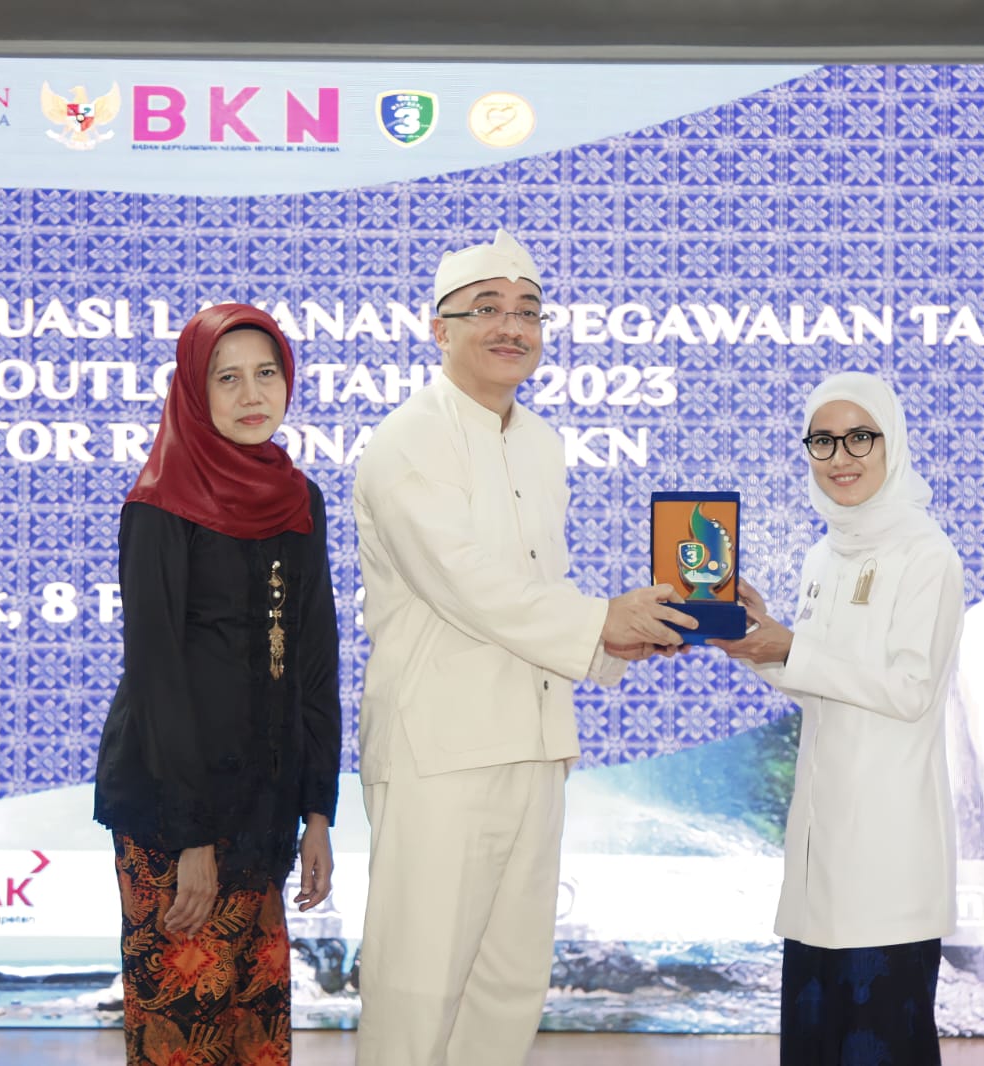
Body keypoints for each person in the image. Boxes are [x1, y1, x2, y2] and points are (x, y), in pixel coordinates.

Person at [352, 228, 693, 1066]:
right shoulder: (405, 441)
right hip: (441, 751)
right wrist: (600, 623)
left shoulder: (541, 444)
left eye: (529, 311)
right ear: (439, 328)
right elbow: (466, 584)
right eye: (488, 309)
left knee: (509, 988)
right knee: (417, 988)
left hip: (536, 739)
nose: (512, 326)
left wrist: (625, 638)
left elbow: (540, 582)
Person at [94, 303, 342, 1065]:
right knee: (185, 1032)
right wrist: (192, 838)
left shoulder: (299, 499)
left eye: (266, 373)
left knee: (254, 1031)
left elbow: (314, 660)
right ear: (195, 394)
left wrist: (317, 811)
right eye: (226, 379)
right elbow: (158, 679)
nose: (252, 394)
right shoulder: (159, 506)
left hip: (265, 804)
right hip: (172, 808)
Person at [710, 371, 964, 1066]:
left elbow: (910, 689)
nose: (840, 457)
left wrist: (793, 648)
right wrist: (755, 640)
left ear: (892, 444)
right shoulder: (823, 554)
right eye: (822, 440)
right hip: (819, 854)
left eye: (859, 438)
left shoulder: (926, 554)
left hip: (888, 853)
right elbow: (820, 684)